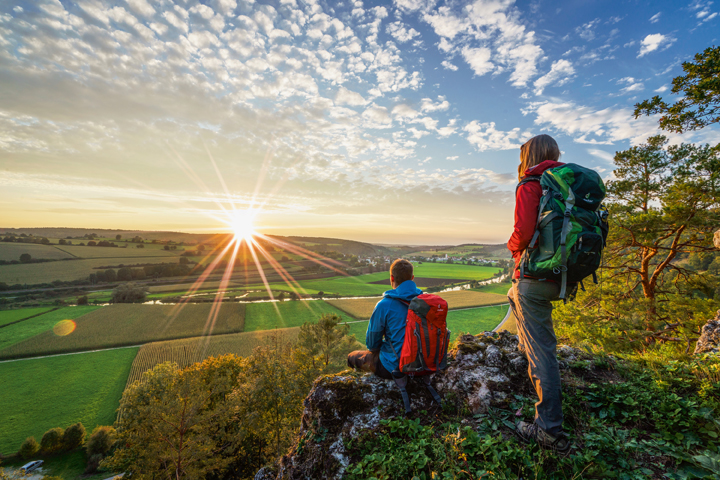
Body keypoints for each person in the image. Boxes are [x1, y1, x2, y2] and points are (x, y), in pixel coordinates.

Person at [507, 134, 571, 454]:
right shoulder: (566, 184)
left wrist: (511, 248)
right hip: (561, 277)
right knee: (513, 297)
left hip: (532, 277)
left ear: (528, 157)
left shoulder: (531, 184)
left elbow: (522, 232)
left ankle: (548, 429)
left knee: (543, 351)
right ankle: (530, 355)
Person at [347, 258, 422, 379]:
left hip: (394, 367)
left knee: (352, 357)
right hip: (424, 362)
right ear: (412, 278)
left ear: (392, 278)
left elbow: (372, 344)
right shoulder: (425, 301)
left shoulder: (384, 305)